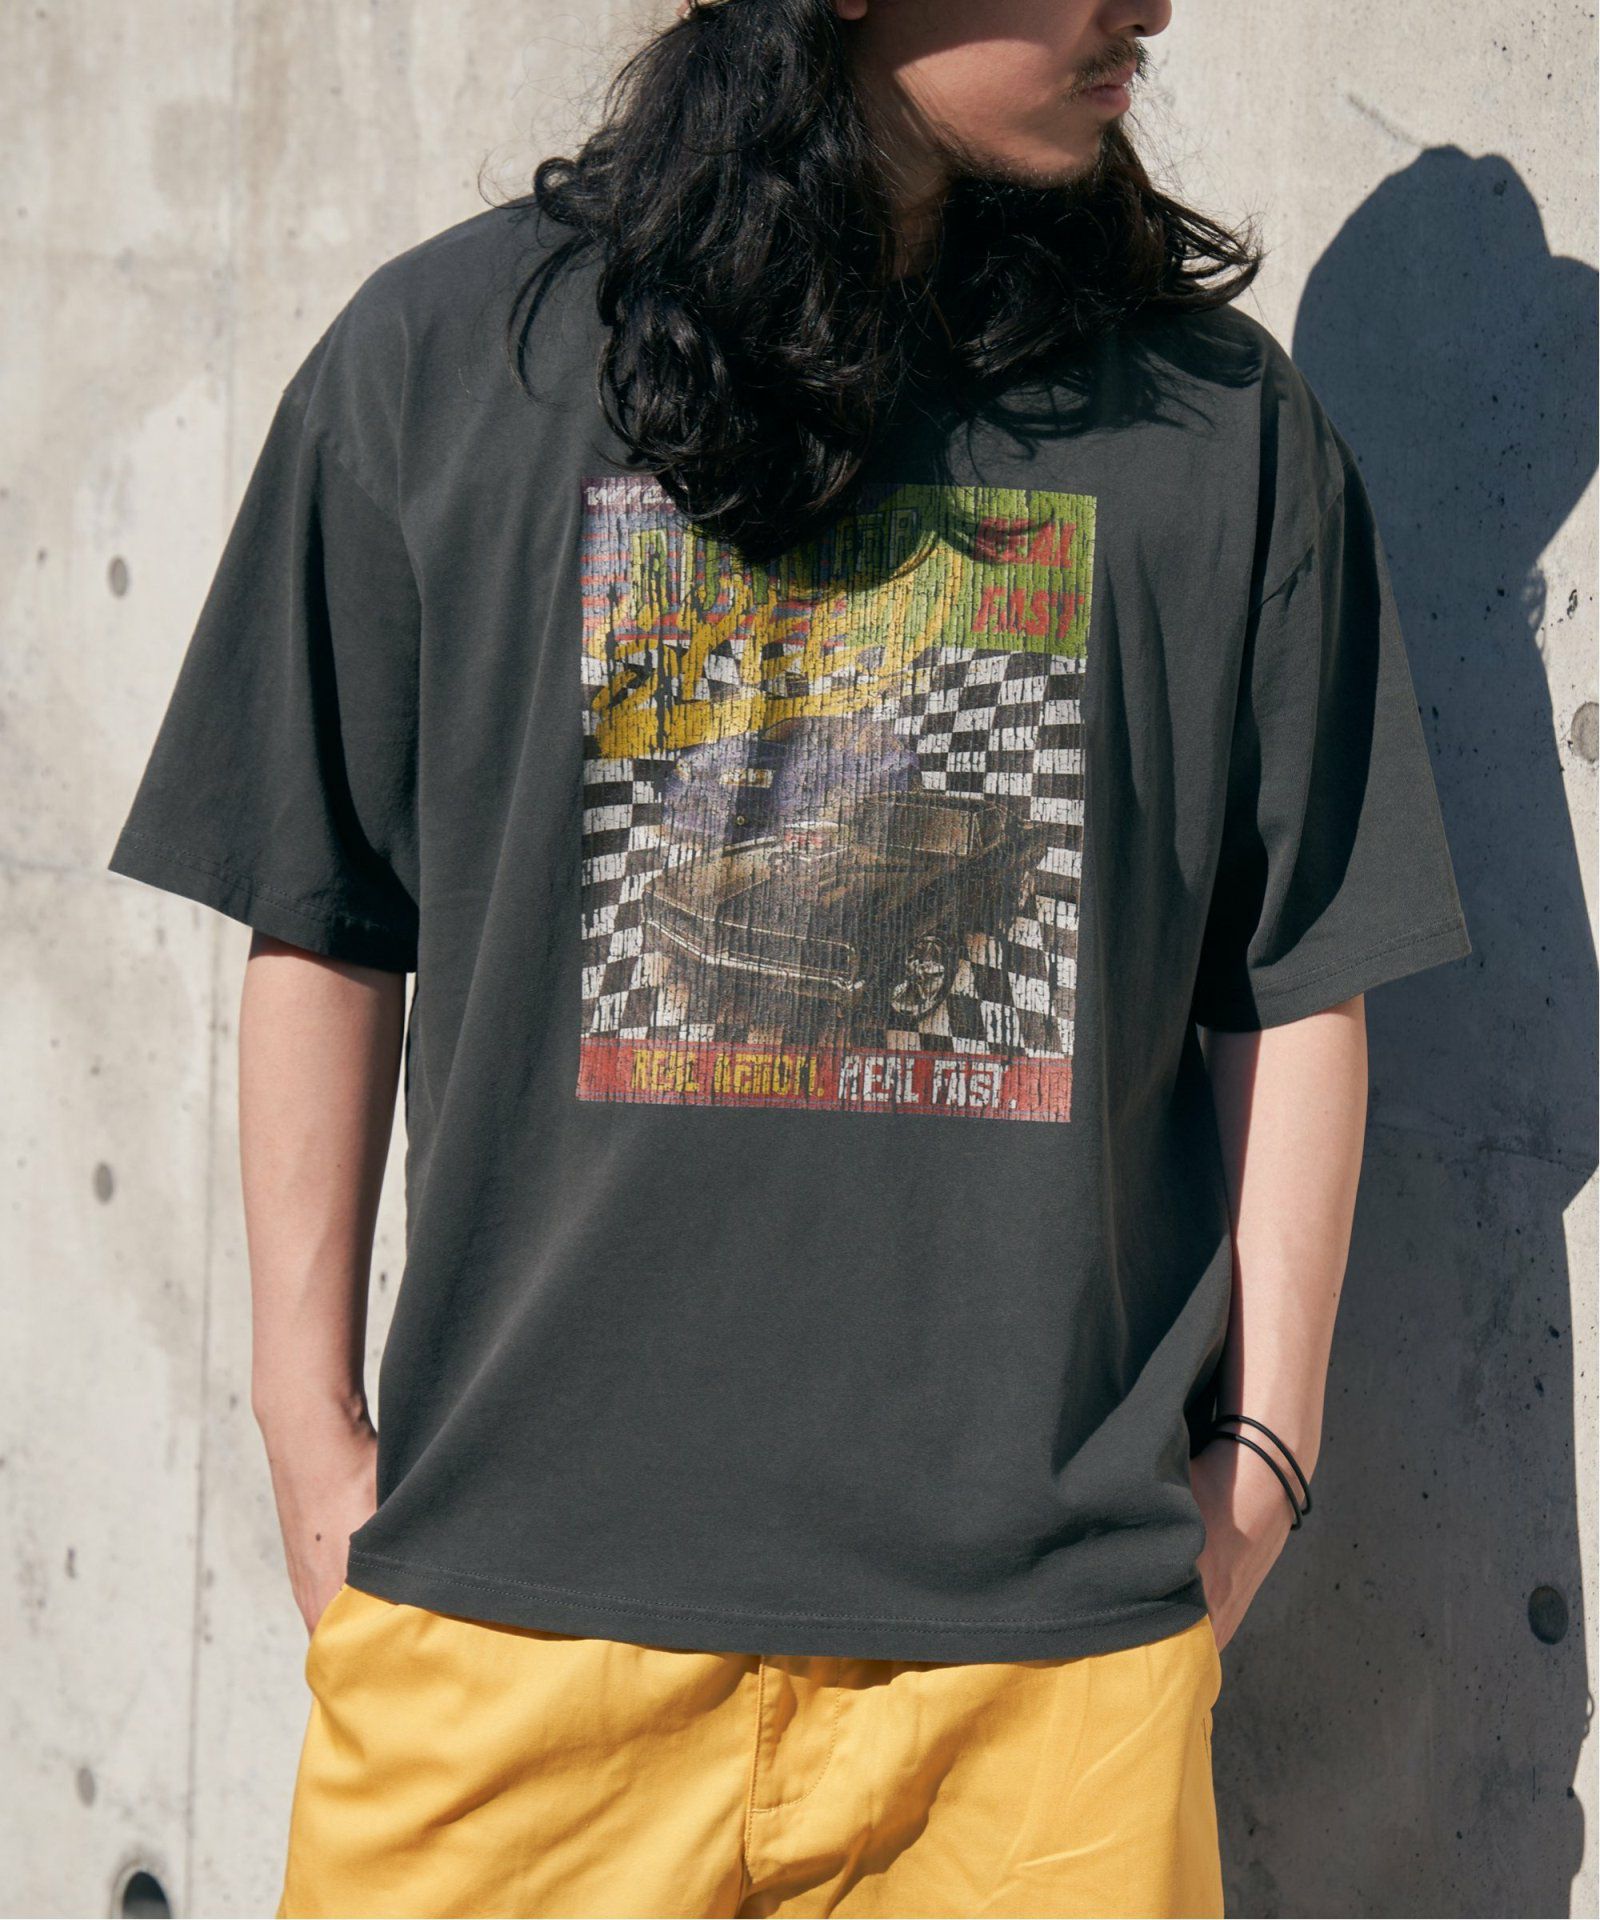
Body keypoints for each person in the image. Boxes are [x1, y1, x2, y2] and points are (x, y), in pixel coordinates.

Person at [106, 0, 1473, 1914]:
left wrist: (1264, 1462)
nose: (1156, 5)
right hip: (505, 1650)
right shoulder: (440, 367)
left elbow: (1297, 969)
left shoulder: (1218, 430)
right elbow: (323, 913)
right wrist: (304, 1434)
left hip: (1038, 1703)